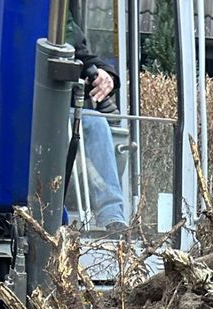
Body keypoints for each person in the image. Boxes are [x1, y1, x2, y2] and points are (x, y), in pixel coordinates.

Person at [66, 4, 128, 231]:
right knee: (93, 123)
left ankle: (112, 218)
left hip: (64, 111)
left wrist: (105, 75)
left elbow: (80, 56)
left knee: (95, 123)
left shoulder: (63, 17)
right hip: (25, 111)